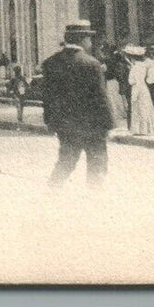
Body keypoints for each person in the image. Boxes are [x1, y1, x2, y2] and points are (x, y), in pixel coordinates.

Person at [41, 23, 114, 187]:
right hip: (92, 126)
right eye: (89, 38)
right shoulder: (91, 64)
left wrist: (50, 122)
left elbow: (47, 97)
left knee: (65, 162)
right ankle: (94, 198)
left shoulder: (50, 63)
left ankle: (51, 193)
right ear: (82, 39)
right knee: (97, 164)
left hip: (65, 125)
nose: (90, 42)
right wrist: (109, 125)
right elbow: (101, 97)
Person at [124, 45, 154, 135]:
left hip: (138, 89)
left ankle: (141, 130)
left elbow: (135, 81)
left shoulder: (135, 68)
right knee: (144, 108)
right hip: (143, 88)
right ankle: (145, 129)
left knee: (140, 109)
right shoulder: (142, 66)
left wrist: (135, 95)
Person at [103, 44, 130, 128]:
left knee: (112, 97)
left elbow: (106, 71)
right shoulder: (118, 58)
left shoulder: (108, 60)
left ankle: (116, 113)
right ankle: (121, 112)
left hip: (110, 81)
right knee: (118, 97)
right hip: (116, 80)